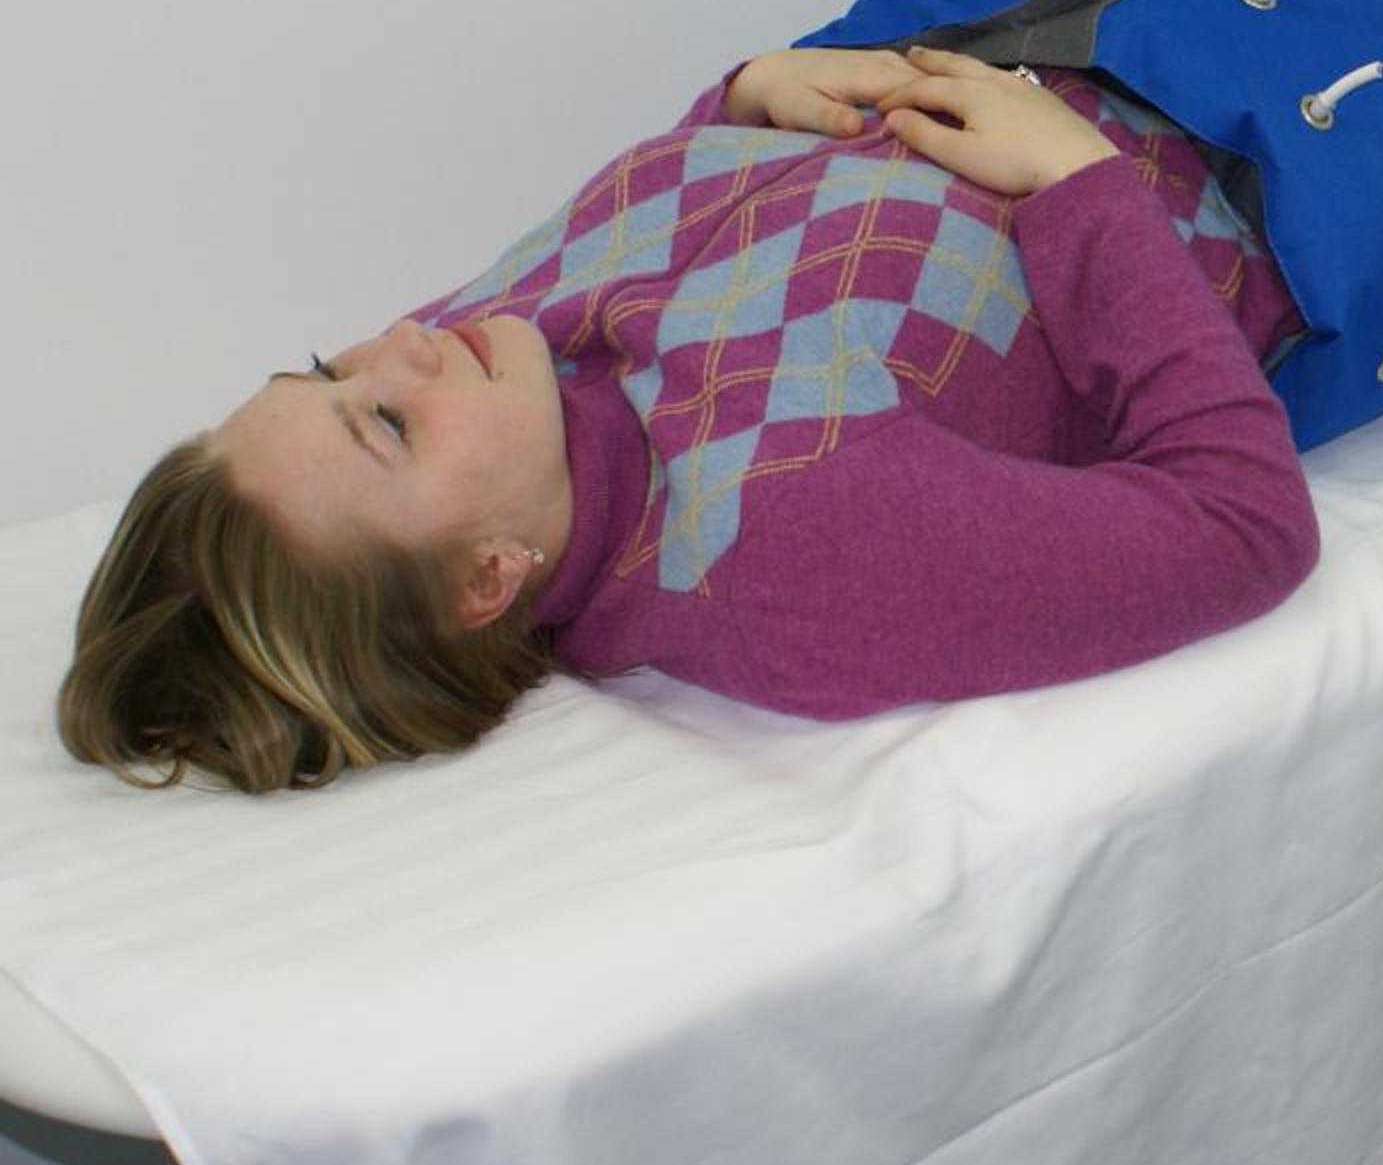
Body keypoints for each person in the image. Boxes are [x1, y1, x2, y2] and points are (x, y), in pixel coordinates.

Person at [58, 44, 1318, 794]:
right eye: (383, 425)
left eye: (320, 367)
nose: (401, 341)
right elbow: (1244, 520)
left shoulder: (499, 374)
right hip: (1265, 138)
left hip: (1102, 17)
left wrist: (746, 100)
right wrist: (1076, 181)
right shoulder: (792, 545)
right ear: (490, 579)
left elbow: (712, 265)